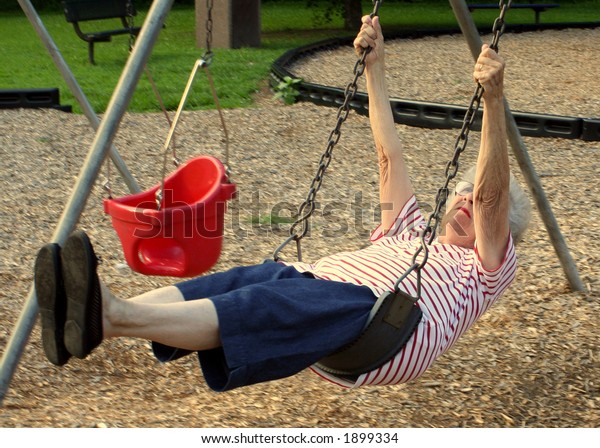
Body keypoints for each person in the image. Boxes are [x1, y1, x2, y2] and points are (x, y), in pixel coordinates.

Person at [34, 15, 530, 391]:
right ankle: (83, 318)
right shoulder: (410, 230)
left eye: (482, 203)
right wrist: (375, 68)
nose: (467, 200)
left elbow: (490, 195)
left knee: (264, 306)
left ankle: (108, 315)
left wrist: (492, 101)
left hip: (382, 320)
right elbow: (387, 157)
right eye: (460, 192)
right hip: (320, 281)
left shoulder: (487, 267)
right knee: (237, 284)